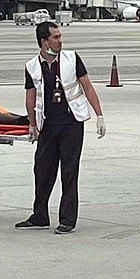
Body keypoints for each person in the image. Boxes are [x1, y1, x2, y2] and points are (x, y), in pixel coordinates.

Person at [15, 21, 106, 234]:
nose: (60, 41)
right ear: (43, 41)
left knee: (69, 171)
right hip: (47, 125)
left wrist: (99, 115)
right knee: (42, 170)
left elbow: (87, 86)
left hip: (71, 123)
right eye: (55, 38)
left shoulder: (72, 59)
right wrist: (32, 125)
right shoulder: (31, 66)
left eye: (60, 37)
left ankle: (67, 219)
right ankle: (40, 215)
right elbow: (30, 97)